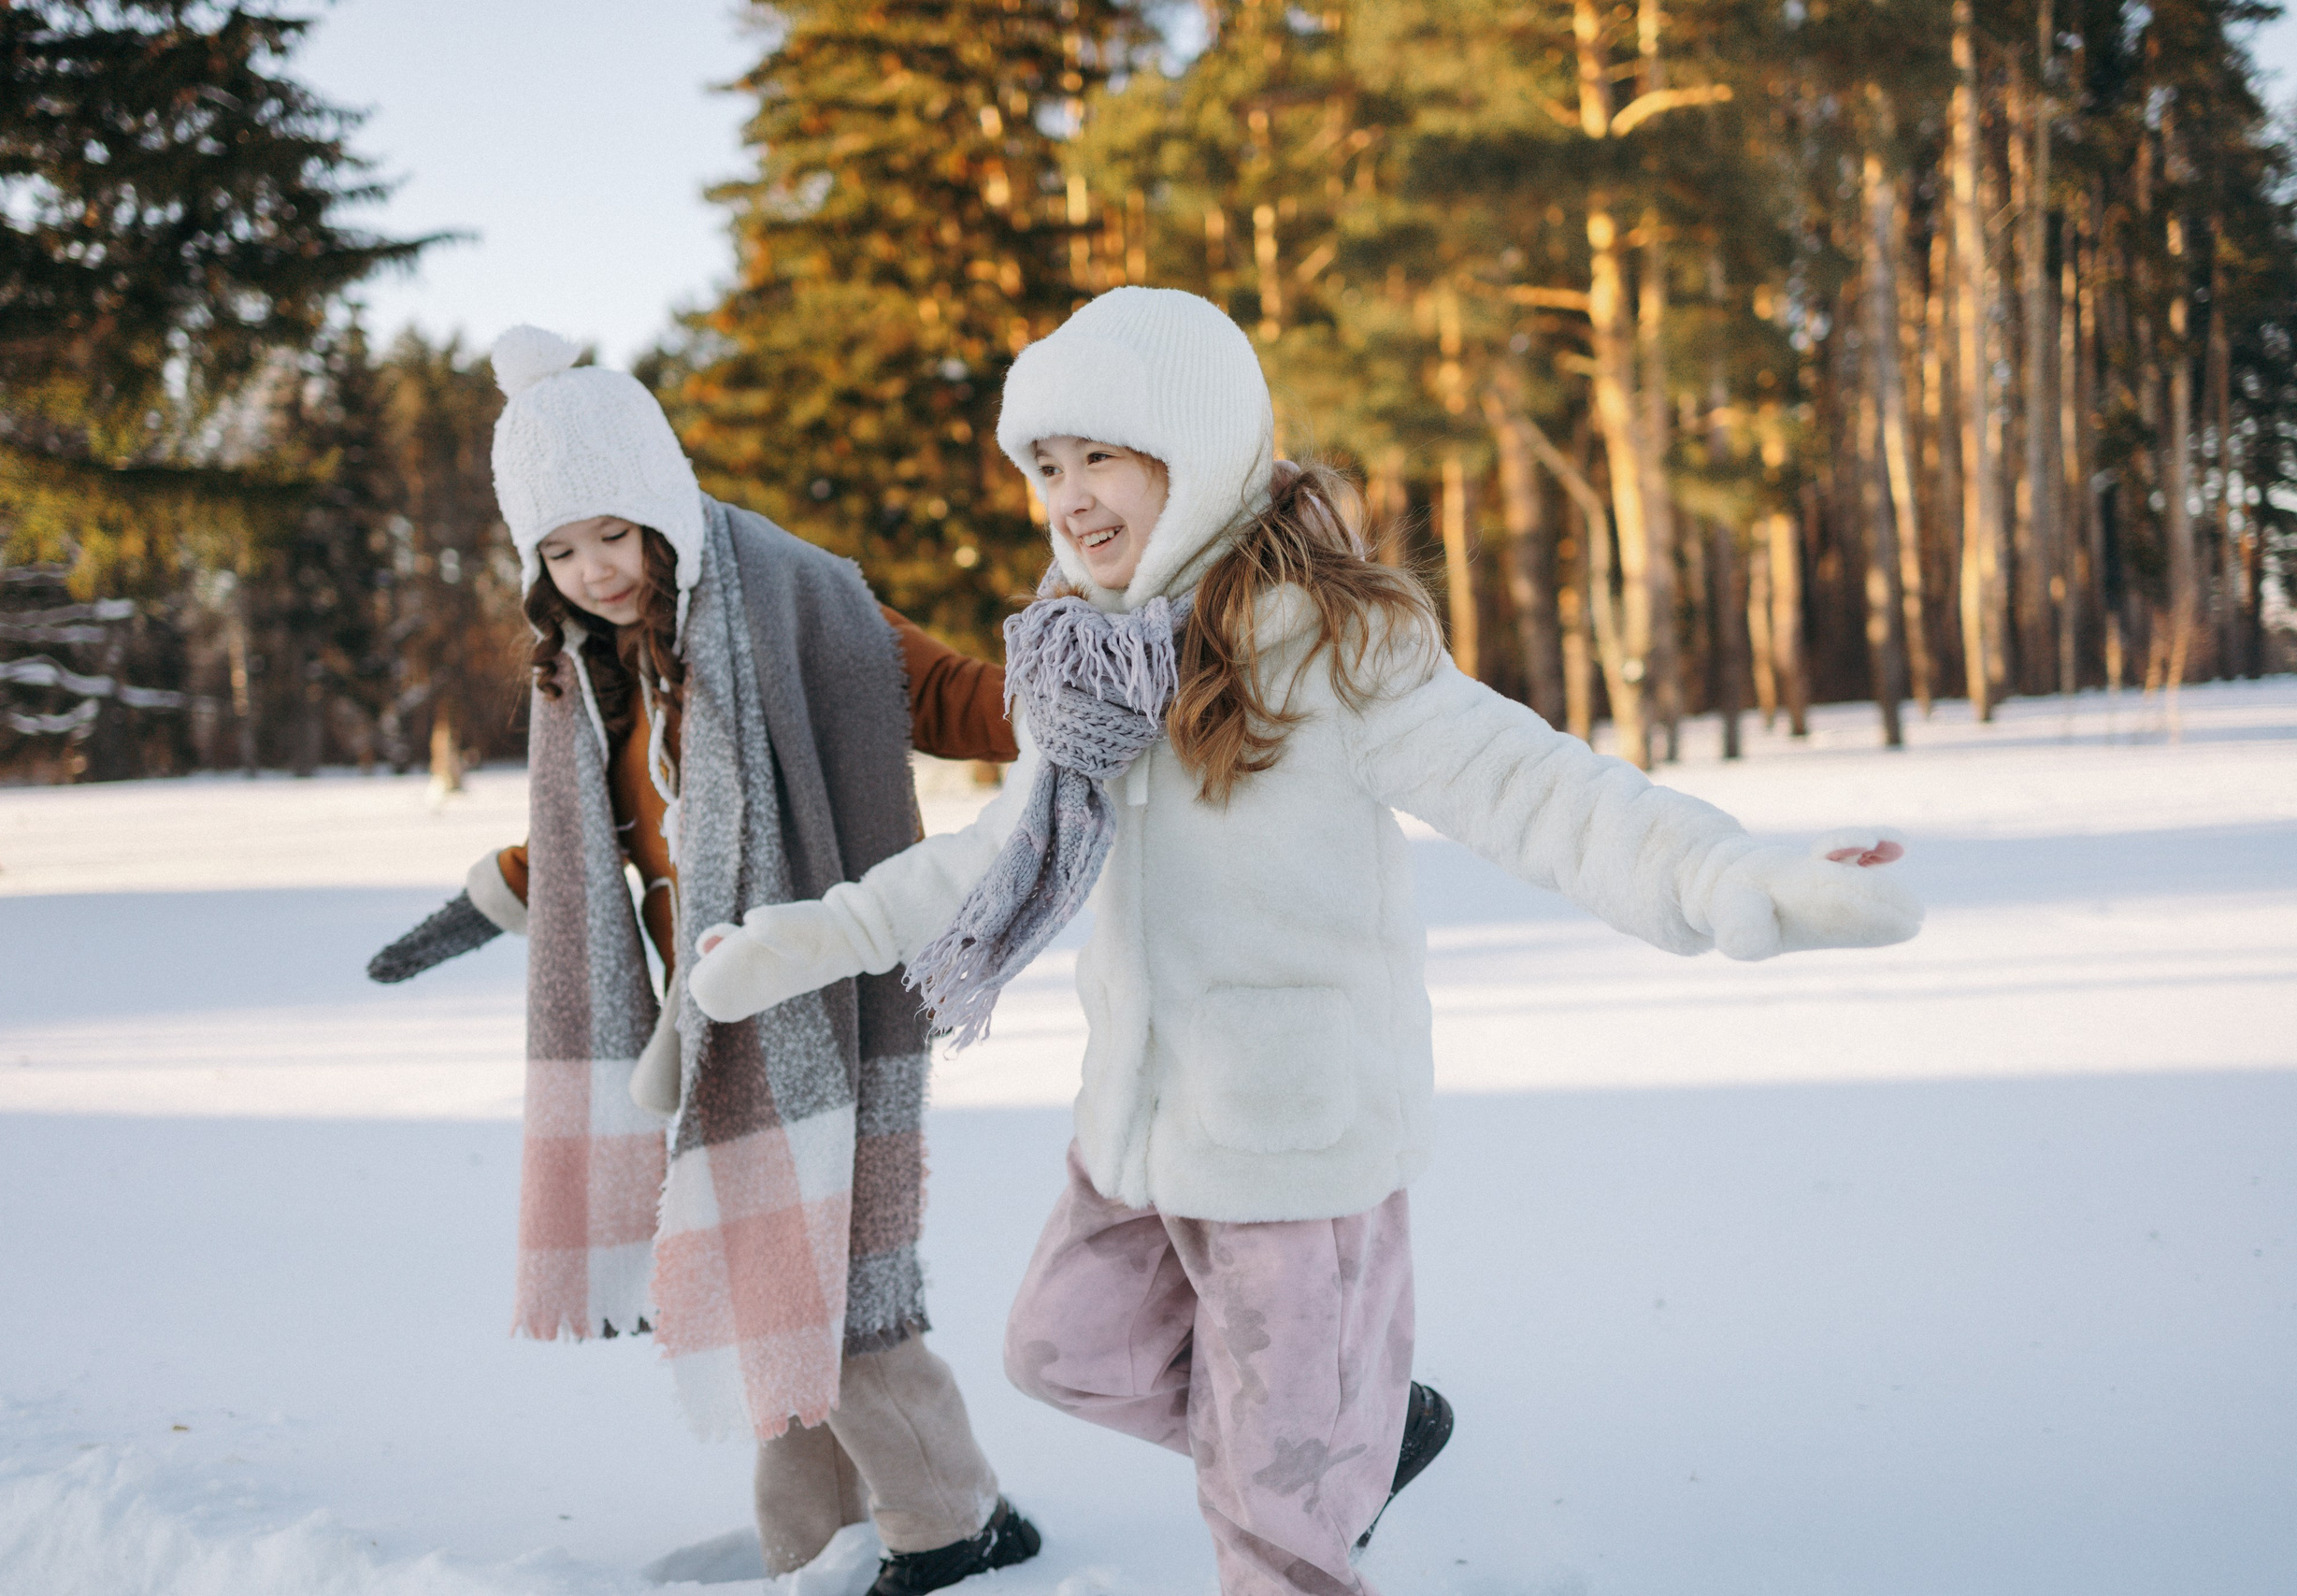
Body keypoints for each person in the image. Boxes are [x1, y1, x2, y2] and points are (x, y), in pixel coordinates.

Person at [682, 287, 1923, 1596]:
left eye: (1099, 455)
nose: (1068, 497)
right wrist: (807, 939)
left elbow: (1540, 789)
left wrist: (1737, 875)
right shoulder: (1083, 667)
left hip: (1296, 1141)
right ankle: (1349, 1447)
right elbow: (994, 855)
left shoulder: (1340, 644)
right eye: (1045, 467)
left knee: (1276, 1539)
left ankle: (1317, 1472)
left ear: (1196, 448)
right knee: (1061, 1352)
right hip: (1140, 1132)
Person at [366, 324, 1037, 1595]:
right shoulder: (593, 668)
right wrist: (495, 896)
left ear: (662, 507)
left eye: (612, 533)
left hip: (822, 991)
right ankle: (814, 1548)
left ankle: (958, 1526)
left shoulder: (801, 601)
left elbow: (950, 698)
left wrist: (1080, 689)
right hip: (707, 1017)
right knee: (764, 1283)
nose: (594, 570)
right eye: (559, 551)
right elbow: (601, 837)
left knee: (840, 1285)